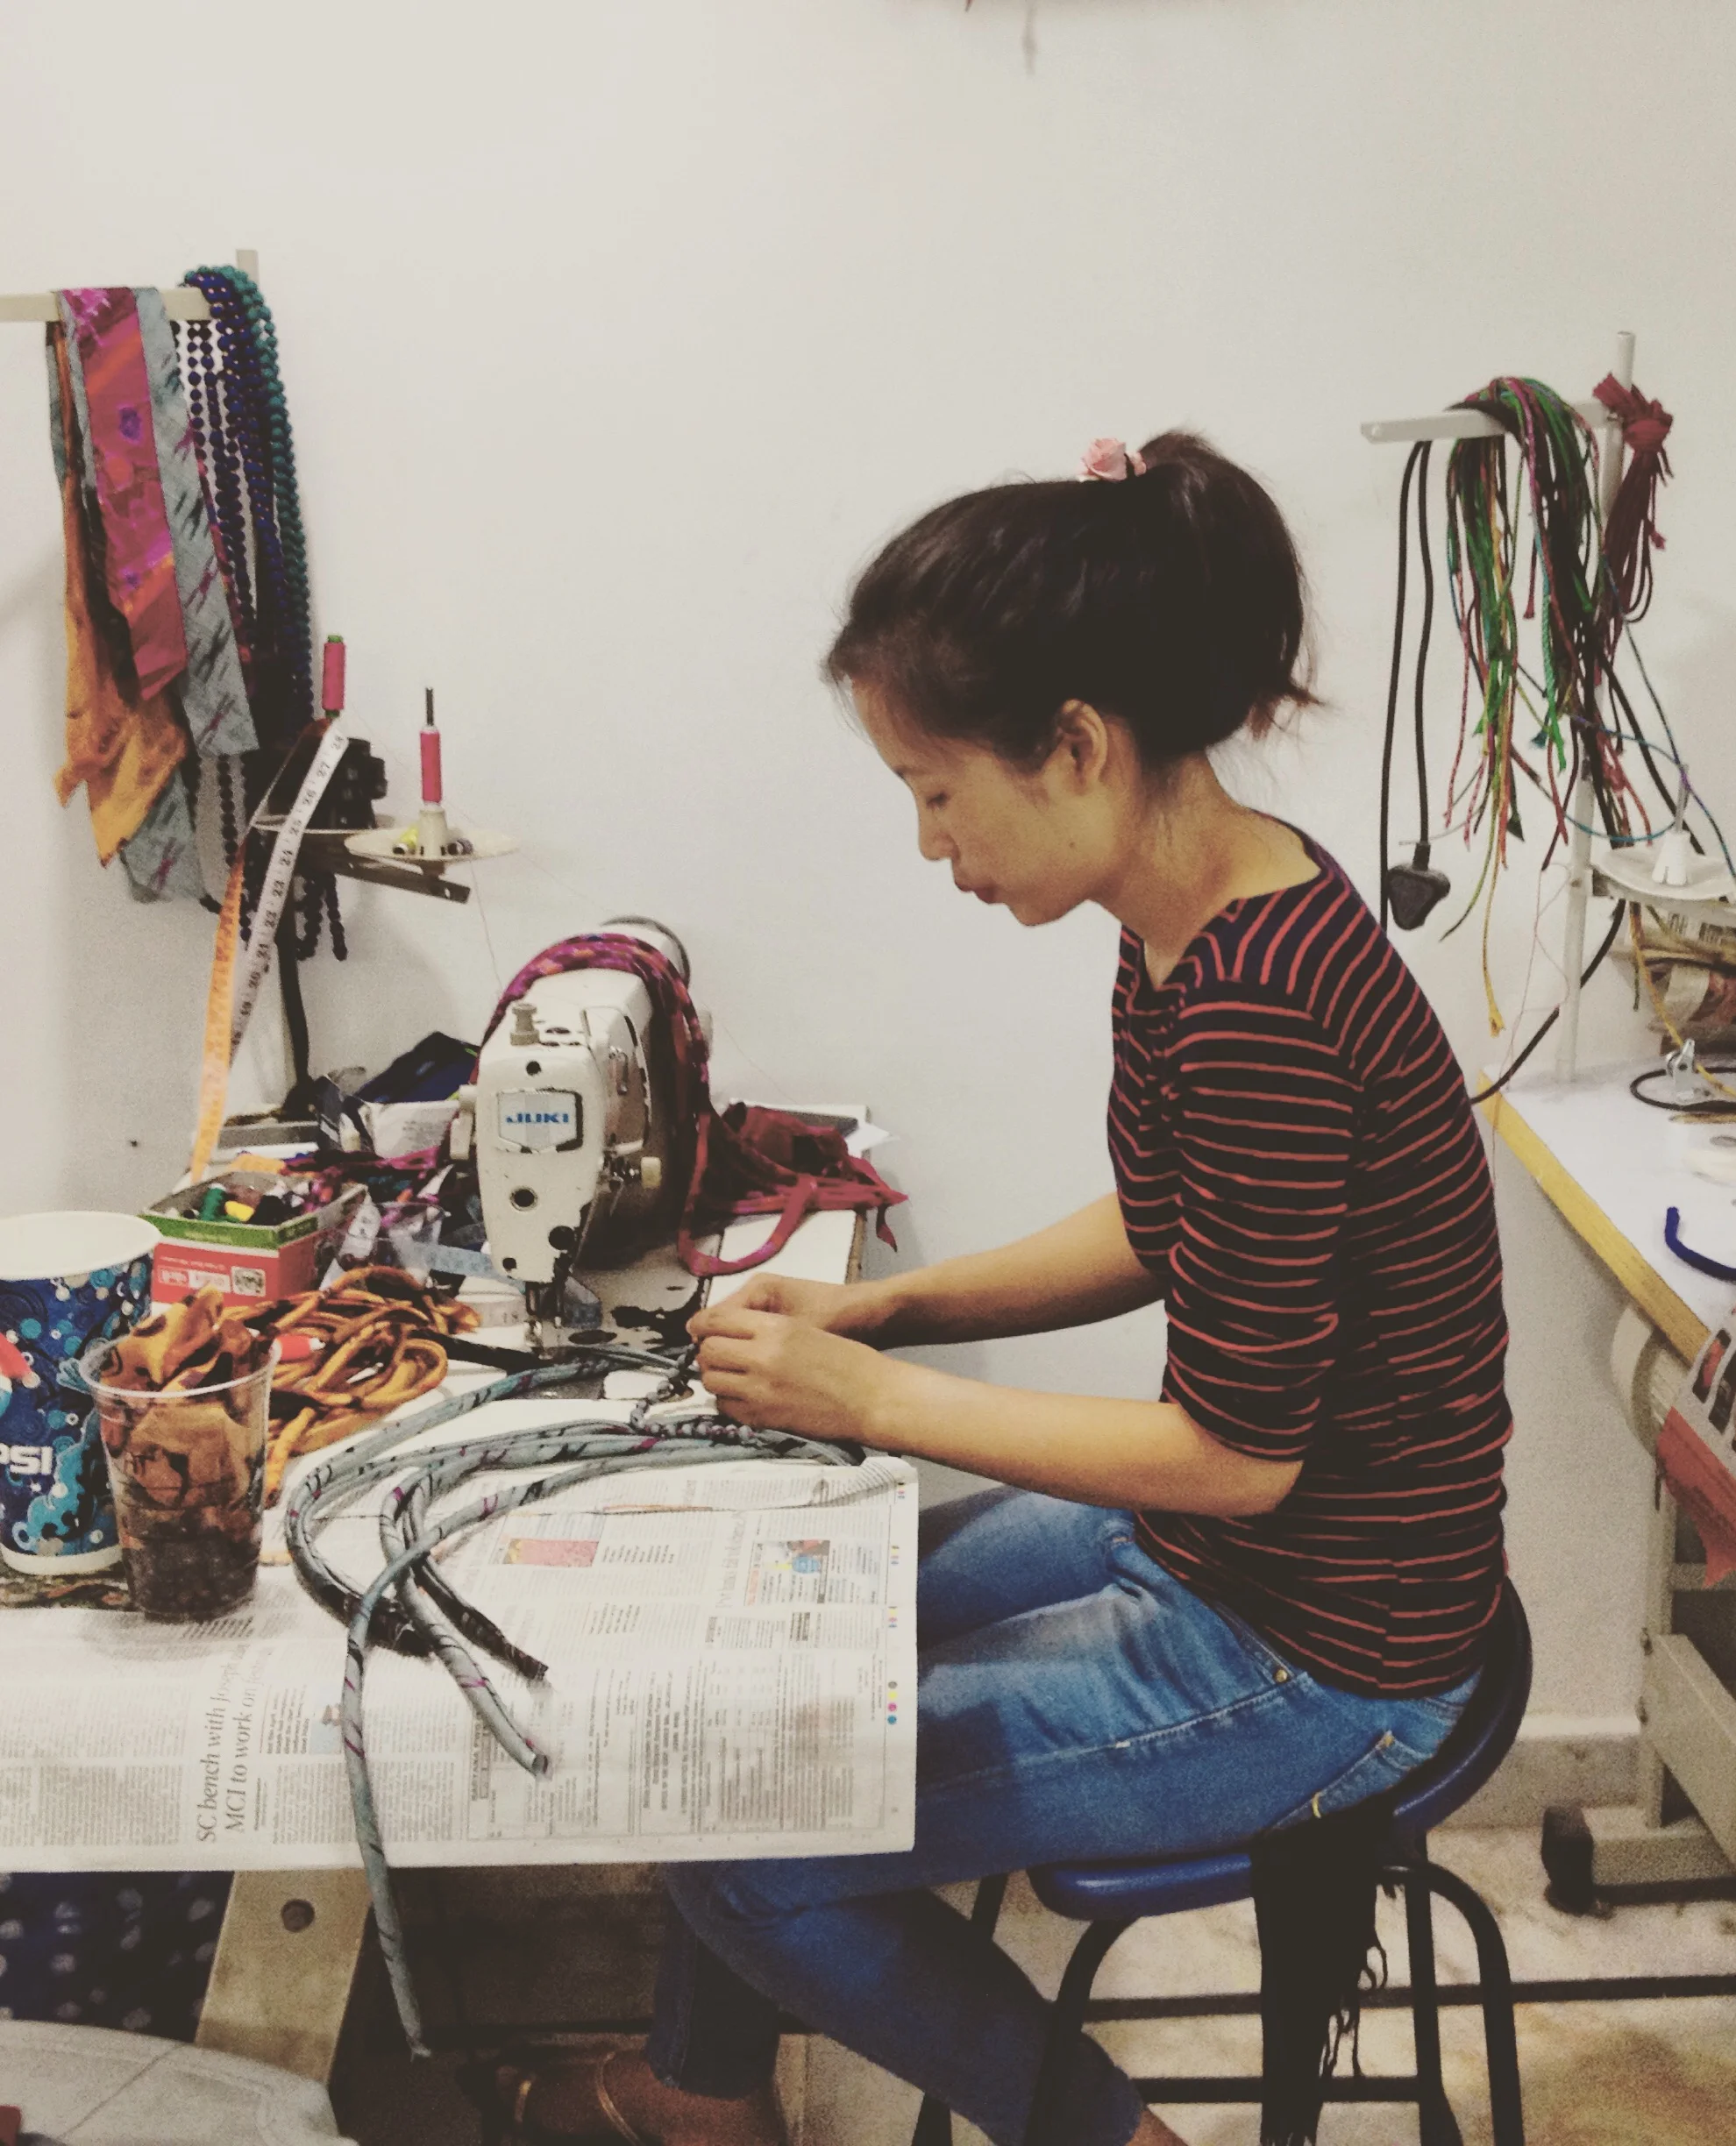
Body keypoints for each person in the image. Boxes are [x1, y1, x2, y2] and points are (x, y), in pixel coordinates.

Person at [491, 433, 1512, 2146]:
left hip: (1329, 1652)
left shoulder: (1264, 996)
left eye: (936, 787)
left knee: (745, 1823)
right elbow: (1164, 1219)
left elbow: (1233, 1459)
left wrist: (875, 1403)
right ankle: (699, 2095)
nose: (925, 840)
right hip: (1251, 1557)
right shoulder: (1198, 907)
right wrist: (893, 1315)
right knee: (751, 1681)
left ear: (1077, 747)